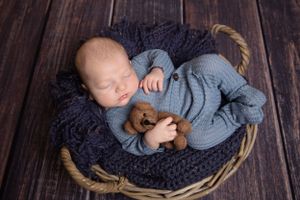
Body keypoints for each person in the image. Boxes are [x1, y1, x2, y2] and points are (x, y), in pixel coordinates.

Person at [75, 37, 266, 156]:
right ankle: (236, 114)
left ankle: (241, 91)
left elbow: (158, 54)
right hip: (192, 121)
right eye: (106, 85)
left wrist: (158, 70)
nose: (121, 86)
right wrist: (151, 139)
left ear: (129, 62)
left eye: (125, 74)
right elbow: (132, 145)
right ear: (90, 92)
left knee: (209, 63)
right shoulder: (114, 117)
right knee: (199, 140)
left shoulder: (139, 65)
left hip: (192, 81)